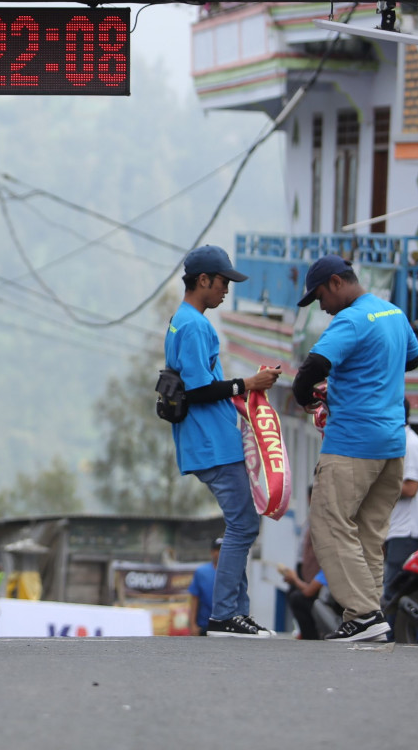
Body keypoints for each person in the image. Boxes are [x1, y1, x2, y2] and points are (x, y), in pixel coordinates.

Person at [291, 254, 418, 642]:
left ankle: (363, 614)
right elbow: (413, 359)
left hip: (352, 444)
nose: (322, 308)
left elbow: (310, 370)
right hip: (391, 445)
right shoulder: (393, 313)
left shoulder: (350, 320)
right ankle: (367, 617)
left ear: (336, 282)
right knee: (368, 534)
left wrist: (308, 398)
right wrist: (371, 374)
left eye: (320, 297)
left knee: (329, 524)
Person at [165, 245, 280, 637]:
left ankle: (236, 613)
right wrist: (248, 383)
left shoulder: (182, 321)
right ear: (203, 280)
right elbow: (198, 389)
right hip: (212, 443)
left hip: (209, 440)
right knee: (244, 525)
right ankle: (225, 615)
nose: (226, 290)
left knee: (241, 525)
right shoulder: (194, 325)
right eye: (223, 282)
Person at [383, 401, 418, 611]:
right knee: (393, 595)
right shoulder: (403, 442)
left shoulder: (410, 445)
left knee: (393, 596)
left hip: (408, 533)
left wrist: (378, 483)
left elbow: (410, 488)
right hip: (400, 531)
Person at [185, 537, 220, 635]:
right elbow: (194, 599)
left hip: (224, 623)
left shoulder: (231, 573)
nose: (219, 553)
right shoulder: (201, 572)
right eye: (217, 550)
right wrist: (192, 624)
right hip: (204, 624)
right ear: (212, 552)